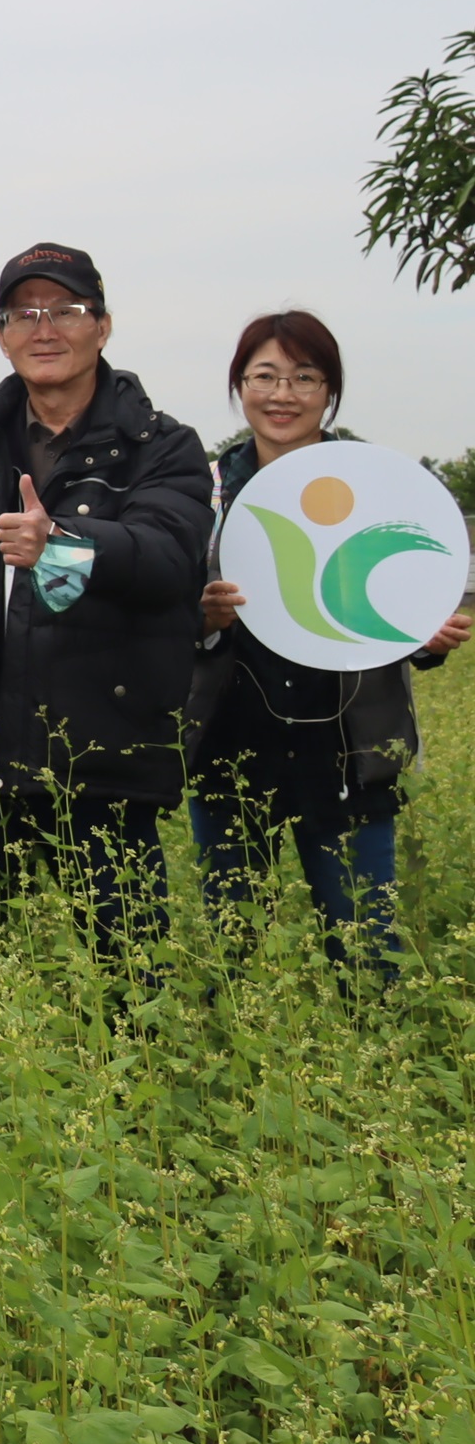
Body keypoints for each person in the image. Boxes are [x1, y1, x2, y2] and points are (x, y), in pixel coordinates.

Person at [0, 243, 210, 973]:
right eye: (25, 313)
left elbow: (170, 561)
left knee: (128, 976)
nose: (45, 328)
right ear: (2, 336)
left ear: (102, 326)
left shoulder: (162, 447)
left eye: (66, 310)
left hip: (101, 755)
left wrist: (63, 540)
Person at [189, 310, 468, 974]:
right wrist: (201, 619)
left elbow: (407, 607)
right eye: (265, 376)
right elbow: (170, 614)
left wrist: (429, 636)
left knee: (369, 954)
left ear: (330, 392)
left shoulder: (379, 486)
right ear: (239, 386)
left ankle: (374, 1057)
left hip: (350, 754)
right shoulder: (207, 492)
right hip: (233, 750)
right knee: (236, 957)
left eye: (304, 378)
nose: (282, 394)